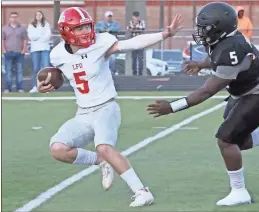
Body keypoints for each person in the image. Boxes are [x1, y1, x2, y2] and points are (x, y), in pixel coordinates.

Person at [147, 2, 259, 206]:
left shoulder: (232, 49)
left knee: (226, 139)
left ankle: (240, 191)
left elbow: (207, 91)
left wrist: (172, 107)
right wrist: (201, 64)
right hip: (245, 91)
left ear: (219, 29)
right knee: (238, 140)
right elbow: (215, 55)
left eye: (205, 28)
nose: (201, 32)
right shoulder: (224, 40)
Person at [37, 7, 183, 207]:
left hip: (106, 108)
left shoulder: (100, 43)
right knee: (58, 149)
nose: (86, 32)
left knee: (105, 146)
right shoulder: (57, 55)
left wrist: (164, 34)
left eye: (87, 26)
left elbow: (131, 44)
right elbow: (60, 74)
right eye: (79, 29)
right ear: (66, 32)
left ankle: (141, 191)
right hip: (83, 113)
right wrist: (43, 84)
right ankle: (101, 162)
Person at [2, 12, 28, 93]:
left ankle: (19, 88)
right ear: (9, 18)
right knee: (8, 71)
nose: (14, 18)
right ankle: (8, 88)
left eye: (15, 17)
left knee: (19, 71)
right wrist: (3, 50)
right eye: (12, 17)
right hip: (8, 53)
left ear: (17, 18)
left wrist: (24, 49)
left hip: (19, 53)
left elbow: (25, 39)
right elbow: (2, 40)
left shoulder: (22, 28)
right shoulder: (4, 29)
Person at [28, 11, 52, 93]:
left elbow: (47, 36)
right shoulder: (31, 25)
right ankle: (35, 86)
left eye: (40, 14)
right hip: (35, 49)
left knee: (45, 68)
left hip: (45, 48)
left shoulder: (46, 24)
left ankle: (46, 87)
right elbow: (31, 37)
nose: (38, 16)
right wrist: (40, 35)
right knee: (36, 68)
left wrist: (38, 36)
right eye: (37, 14)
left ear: (42, 16)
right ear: (35, 16)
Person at [127, 11, 146, 76]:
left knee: (140, 59)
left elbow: (142, 28)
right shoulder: (130, 22)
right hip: (133, 43)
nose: (136, 18)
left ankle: (140, 73)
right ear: (133, 17)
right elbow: (130, 29)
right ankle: (134, 73)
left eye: (137, 16)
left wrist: (134, 28)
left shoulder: (142, 22)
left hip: (141, 42)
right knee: (134, 59)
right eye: (135, 16)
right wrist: (135, 26)